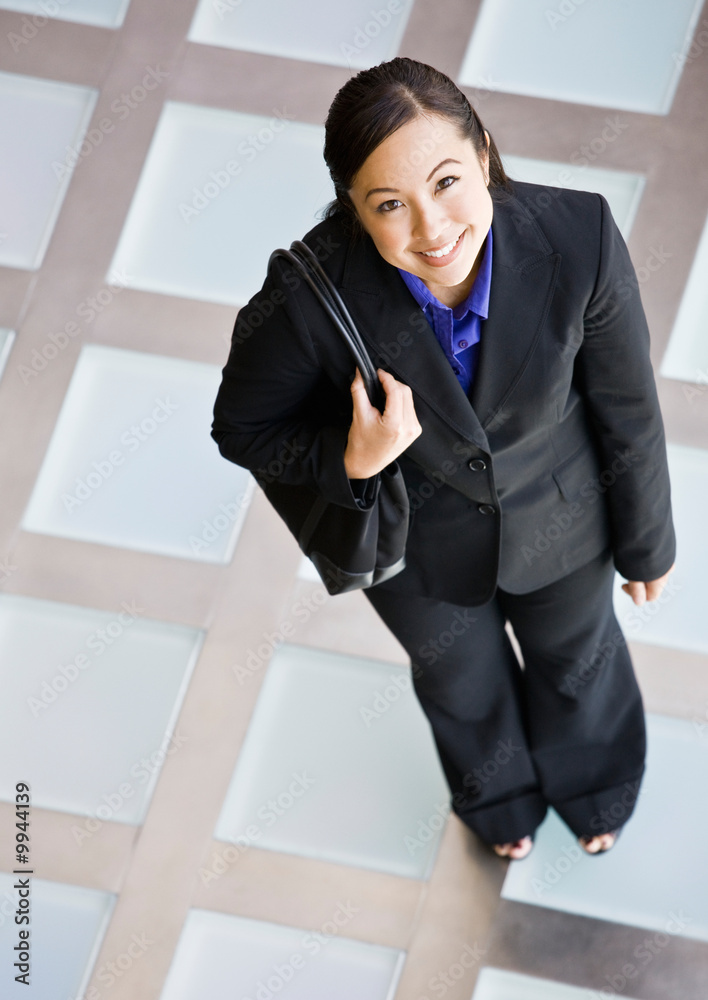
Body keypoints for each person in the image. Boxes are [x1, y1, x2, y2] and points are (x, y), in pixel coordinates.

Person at [211, 58, 676, 860]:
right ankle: (499, 799)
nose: (431, 229)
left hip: (564, 521)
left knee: (580, 663)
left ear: (484, 153)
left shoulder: (580, 236)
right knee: (462, 687)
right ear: (353, 208)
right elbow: (241, 428)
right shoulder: (306, 299)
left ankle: (596, 783)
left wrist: (647, 542)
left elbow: (628, 407)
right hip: (416, 554)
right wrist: (353, 457)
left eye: (448, 182)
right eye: (390, 204)